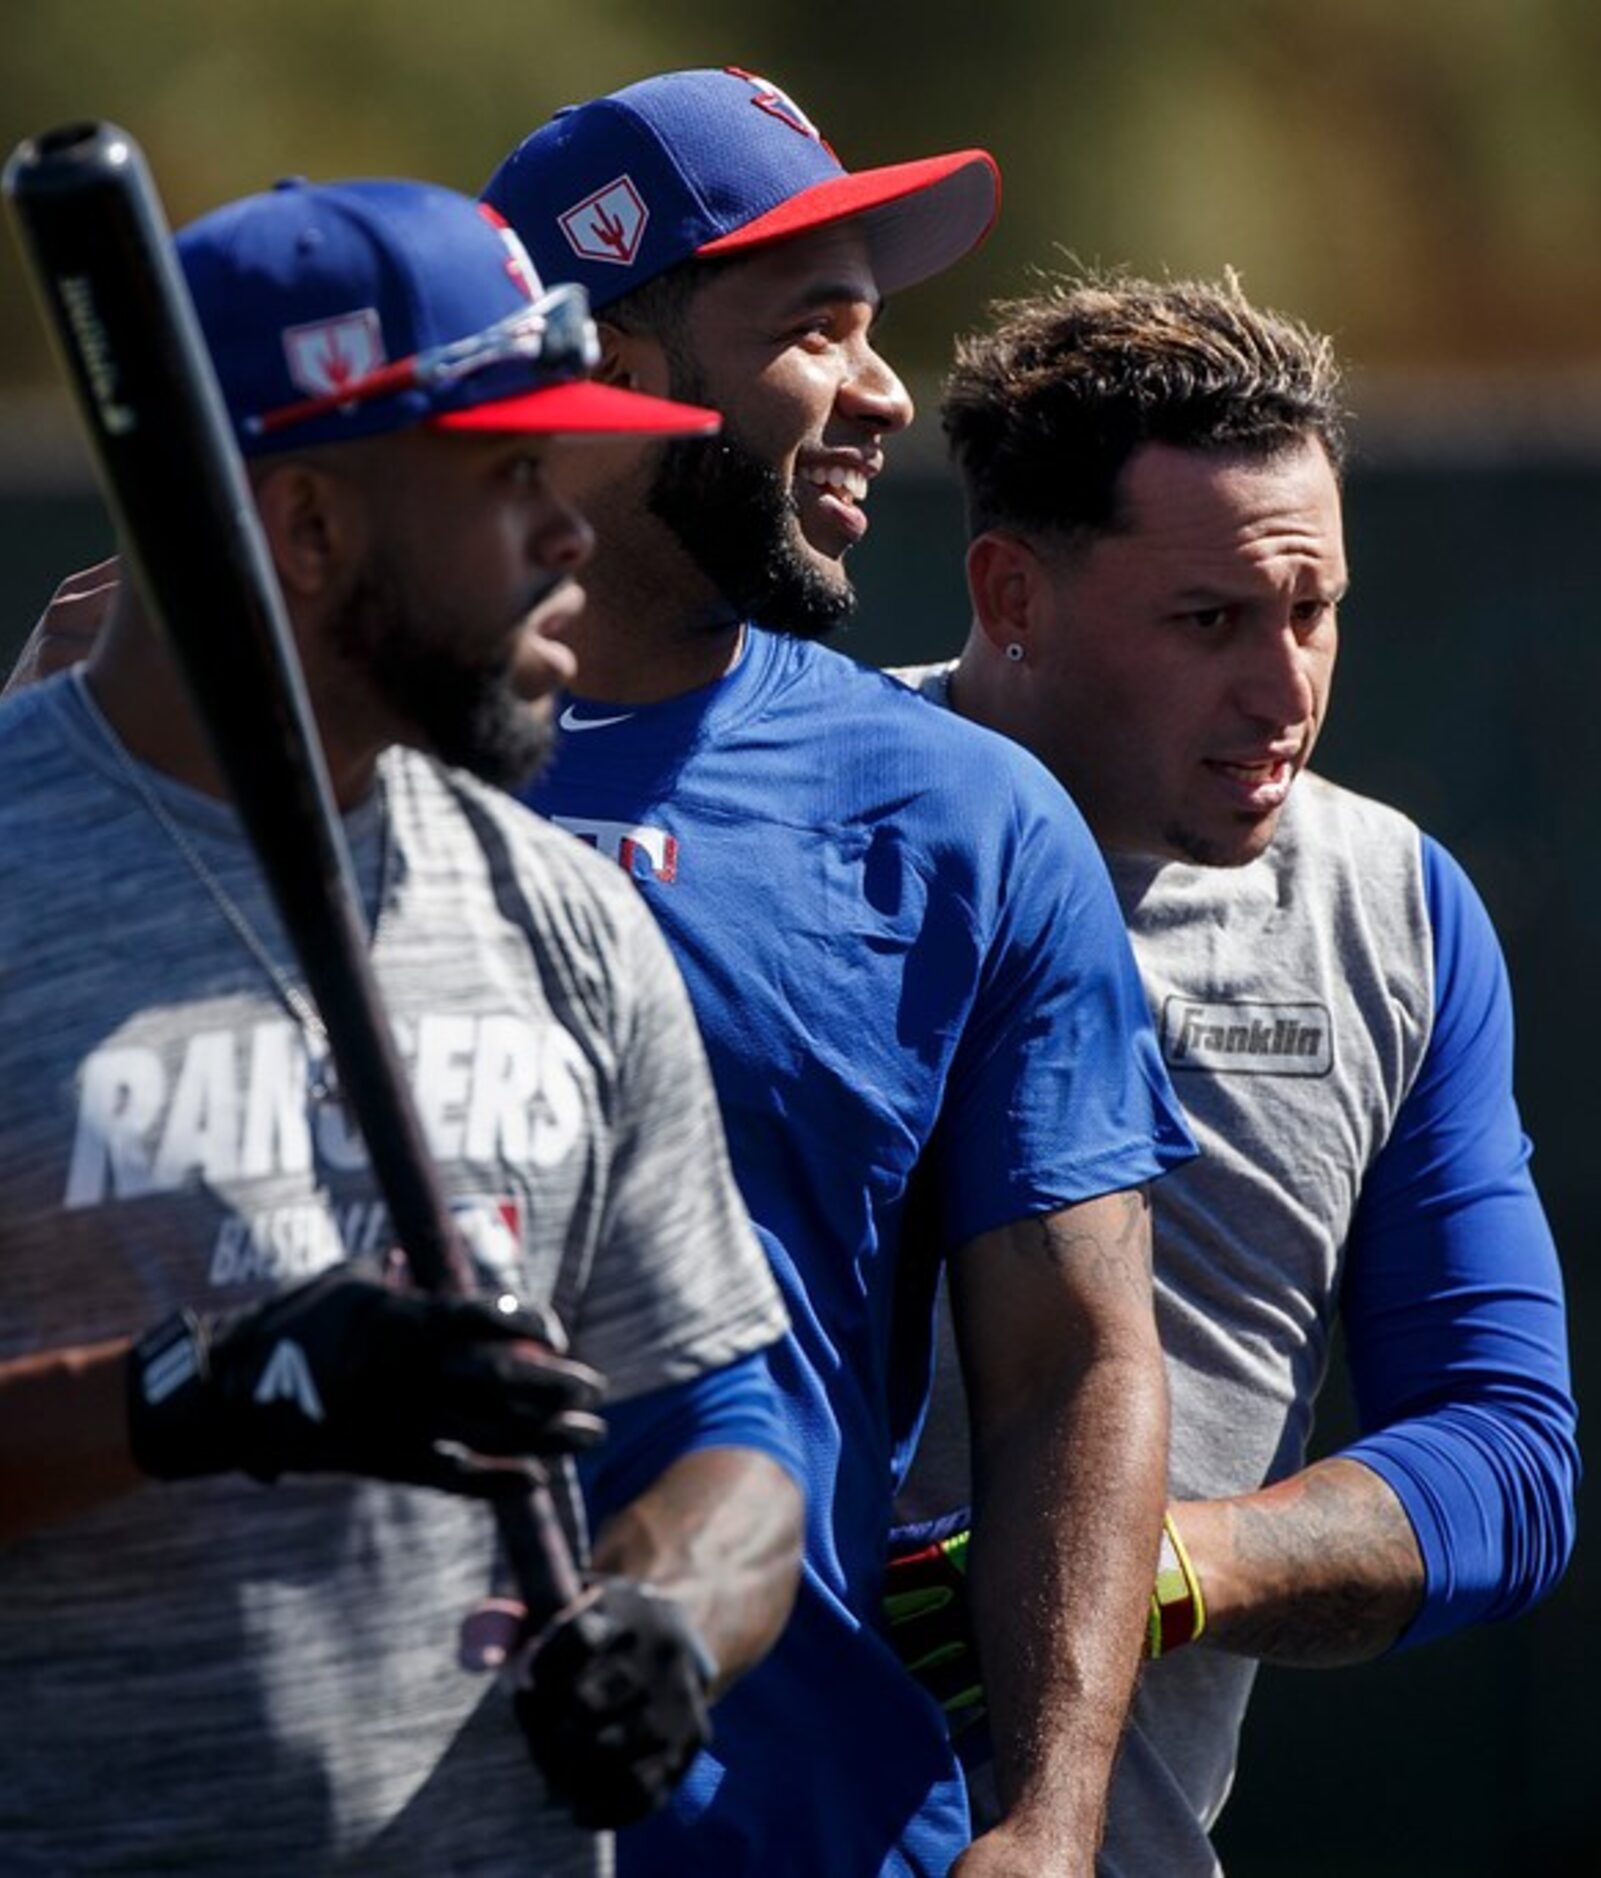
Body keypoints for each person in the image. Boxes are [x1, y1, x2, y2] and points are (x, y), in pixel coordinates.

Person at [0, 176, 811, 1872]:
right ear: (307, 529)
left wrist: (672, 1610)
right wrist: (192, 1390)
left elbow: (734, 1426)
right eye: (510, 476)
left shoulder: (567, 918)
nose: (574, 536)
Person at [479, 69, 1186, 1878]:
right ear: (605, 361)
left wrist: (1048, 1821)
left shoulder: (966, 819)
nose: (885, 393)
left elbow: (1071, 1368)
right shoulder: (308, 773)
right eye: (816, 330)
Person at [882, 270, 1582, 1876]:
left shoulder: (1394, 914)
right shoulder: (791, 822)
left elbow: (1505, 1457)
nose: (1286, 694)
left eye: (1314, 610)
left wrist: (1154, 1562)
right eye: (1210, 622)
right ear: (1012, 595)